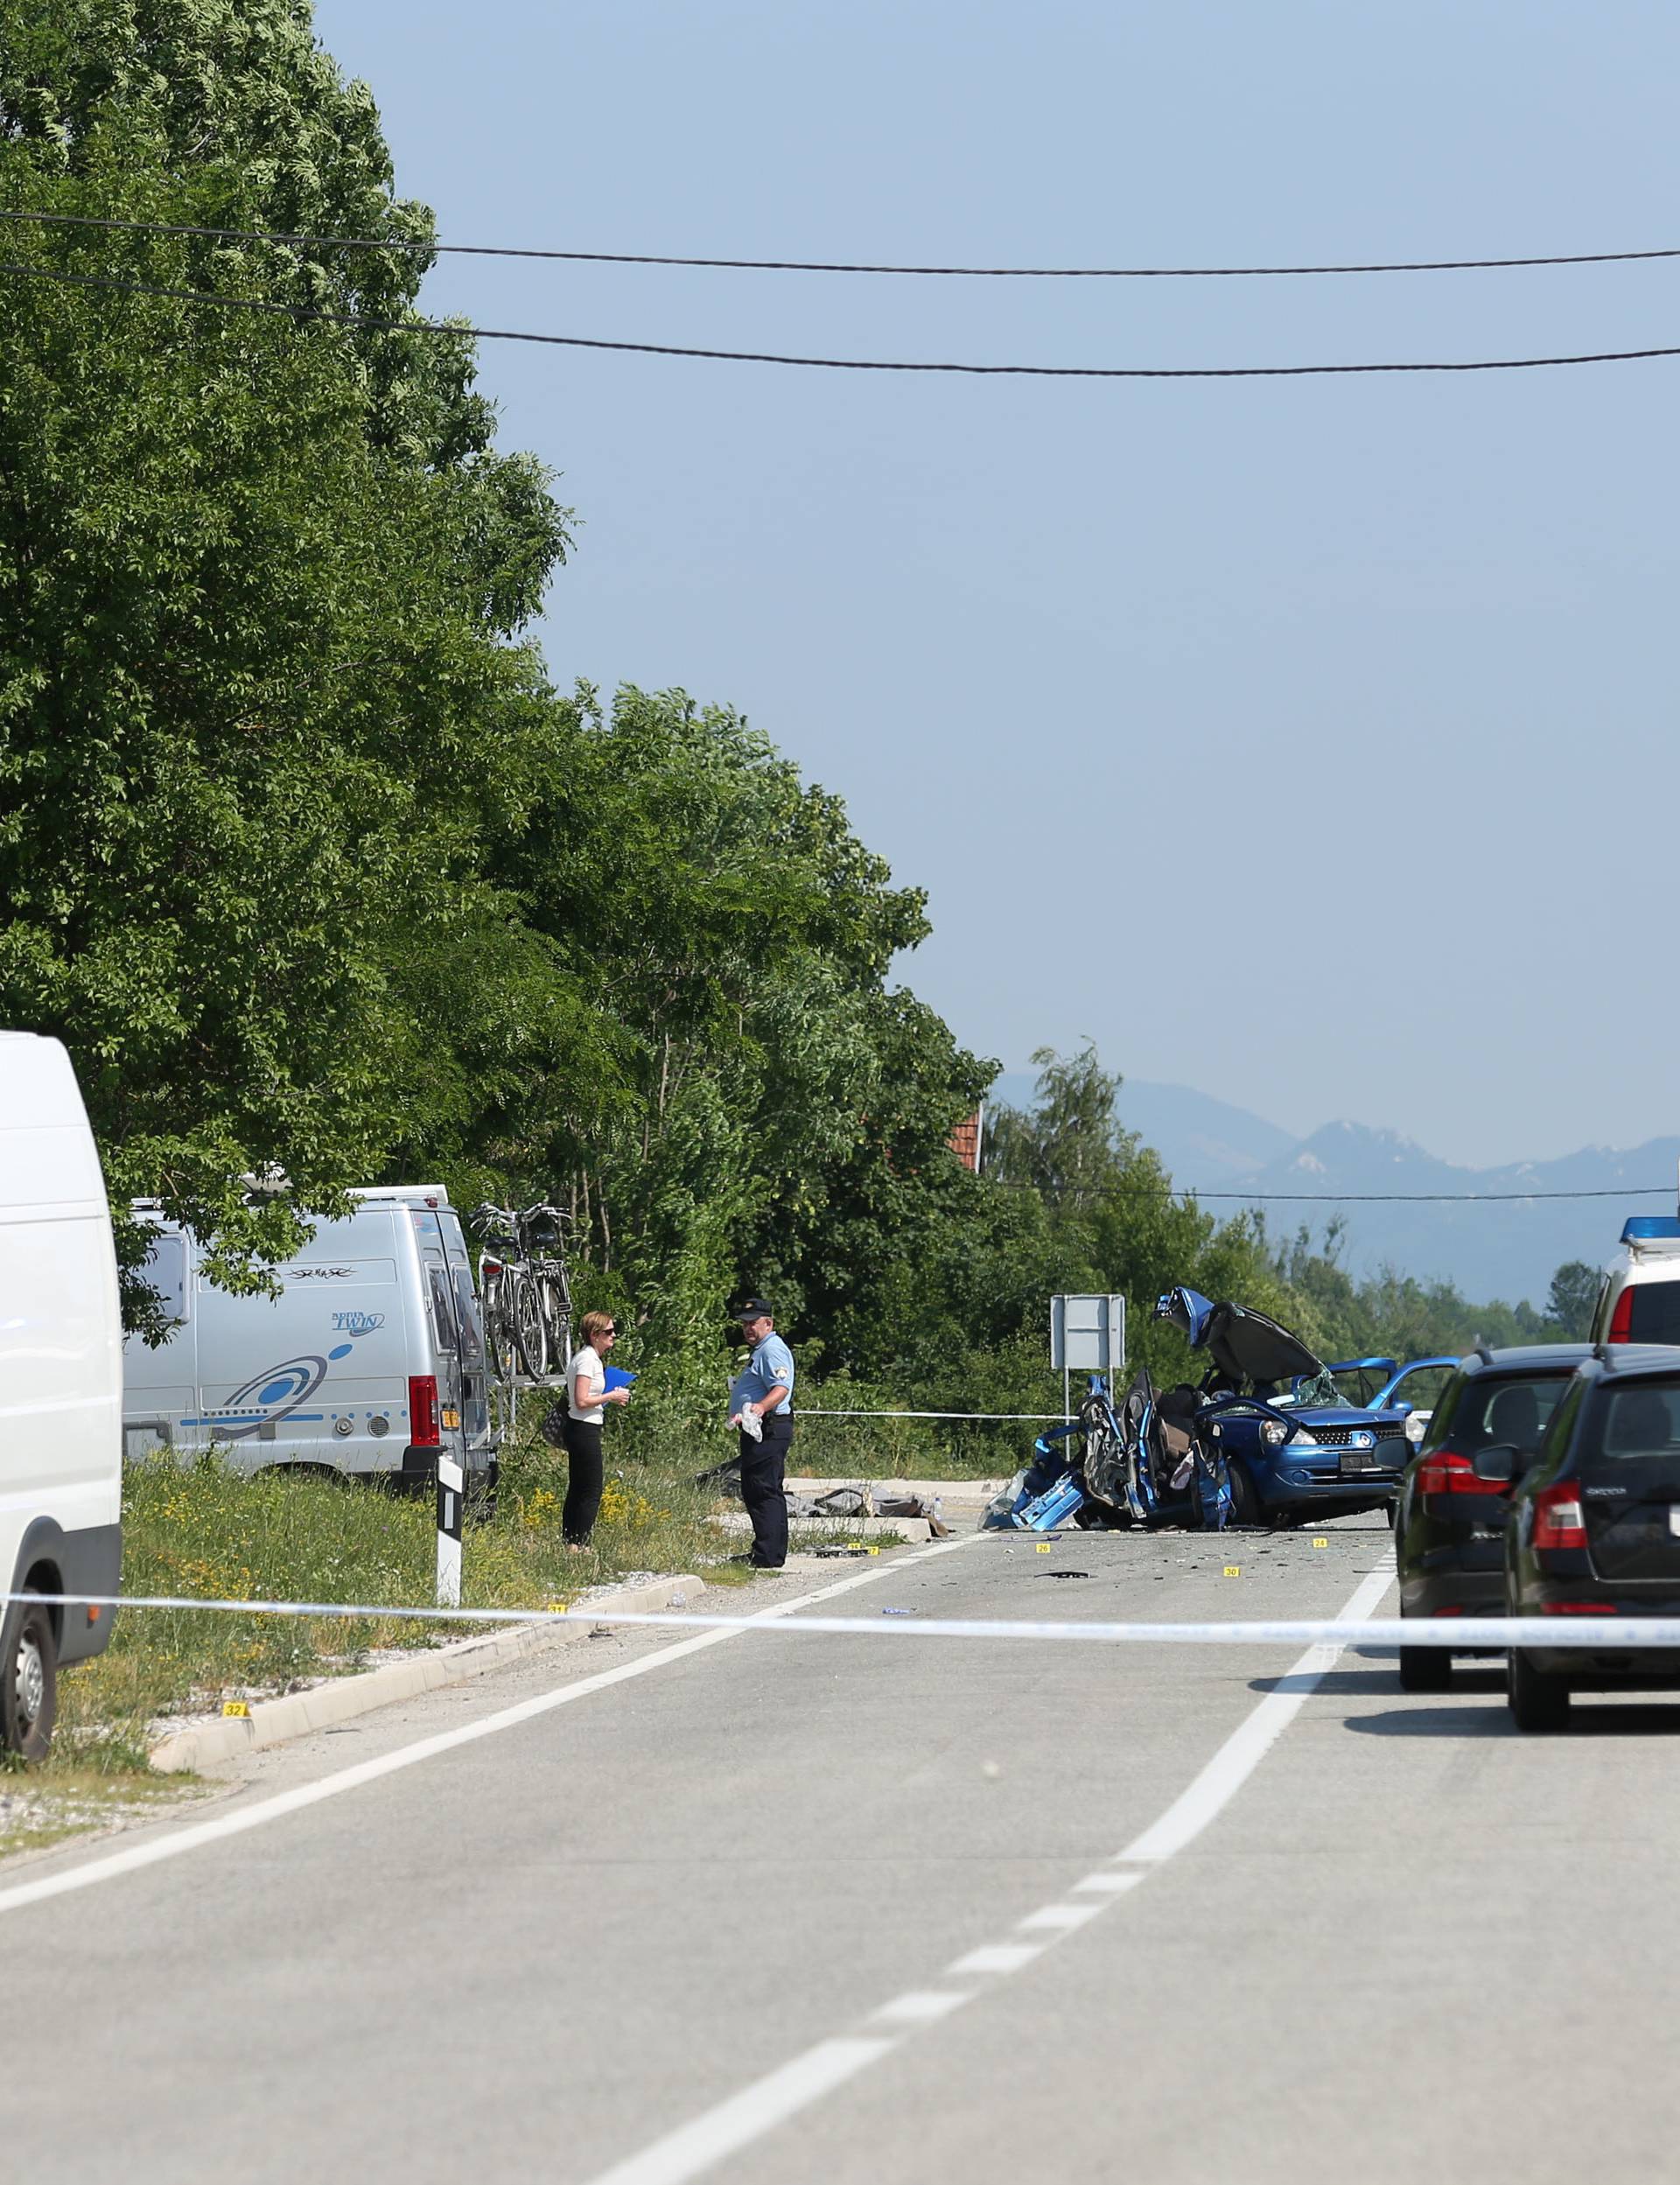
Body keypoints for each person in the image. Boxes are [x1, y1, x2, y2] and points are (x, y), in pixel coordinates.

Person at [727, 1298, 795, 1571]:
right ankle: (769, 1551)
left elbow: (781, 1388)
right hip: (759, 1427)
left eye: (753, 1323)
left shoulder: (772, 1350)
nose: (747, 1328)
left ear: (768, 1323)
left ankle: (767, 1554)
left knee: (762, 1488)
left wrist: (759, 1407)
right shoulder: (761, 1350)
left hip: (768, 1427)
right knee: (760, 1487)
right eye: (744, 1323)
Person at [561, 1308, 629, 1547]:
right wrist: (611, 1396)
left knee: (579, 1486)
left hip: (583, 1426)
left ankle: (570, 1542)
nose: (613, 1336)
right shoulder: (587, 1360)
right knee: (591, 1489)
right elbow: (581, 1400)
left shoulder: (590, 1360)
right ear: (595, 1334)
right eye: (609, 1331)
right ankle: (581, 1543)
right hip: (583, 1427)